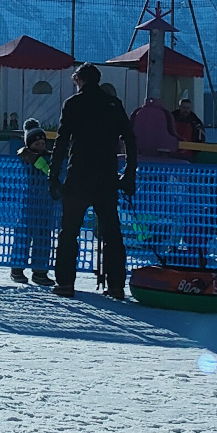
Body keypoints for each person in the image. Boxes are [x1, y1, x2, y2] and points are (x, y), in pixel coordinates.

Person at [48, 63, 140, 300]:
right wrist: (129, 173)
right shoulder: (113, 104)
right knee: (112, 233)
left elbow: (61, 141)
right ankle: (116, 285)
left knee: (69, 232)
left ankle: (65, 283)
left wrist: (54, 175)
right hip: (107, 178)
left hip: (78, 175)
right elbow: (130, 139)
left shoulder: (73, 104)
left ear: (79, 79)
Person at [10, 119, 55, 286]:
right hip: (29, 203)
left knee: (43, 237)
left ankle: (40, 271)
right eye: (36, 143)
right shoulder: (26, 156)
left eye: (43, 142)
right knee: (23, 235)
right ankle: (17, 268)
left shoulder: (50, 157)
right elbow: (24, 155)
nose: (40, 145)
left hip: (45, 205)